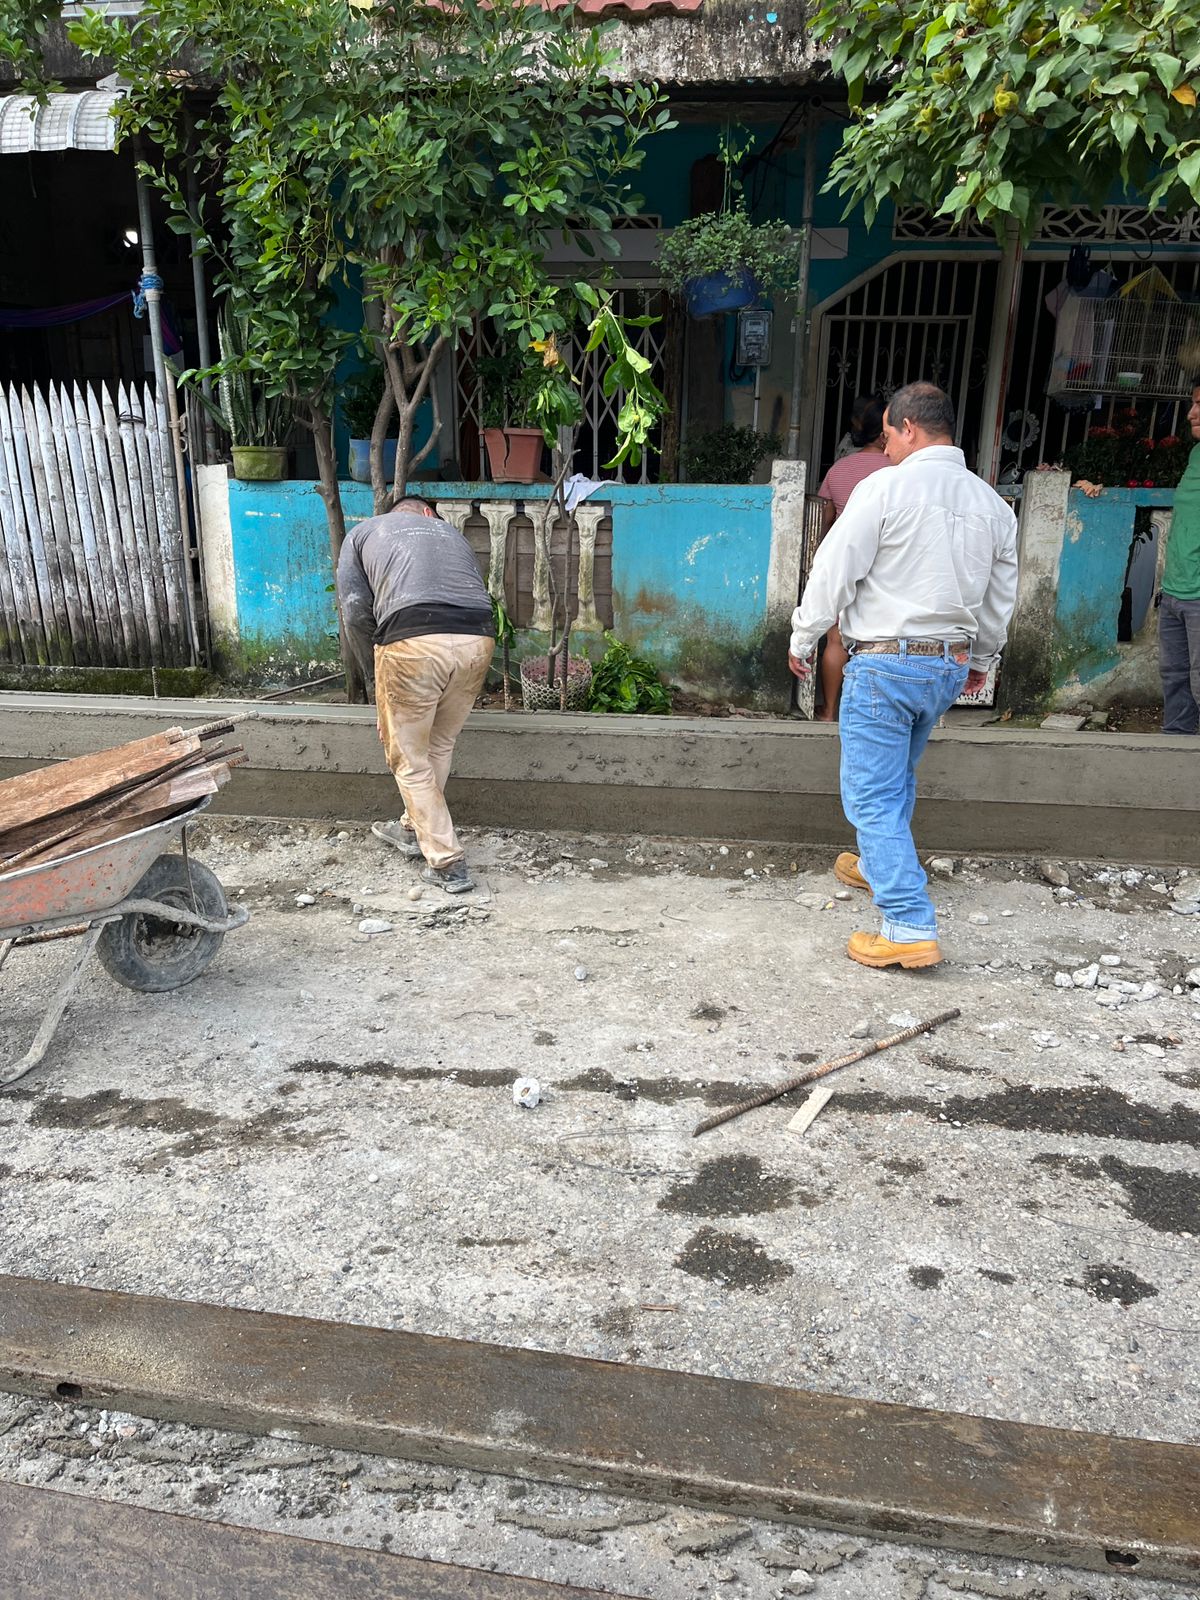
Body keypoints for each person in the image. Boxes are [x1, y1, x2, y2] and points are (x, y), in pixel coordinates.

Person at [788, 382, 1019, 970]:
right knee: (897, 776)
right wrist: (981, 660)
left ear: (909, 428)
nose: (884, 446)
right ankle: (876, 863)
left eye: (889, 434)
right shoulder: (992, 505)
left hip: (886, 662)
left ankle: (908, 924)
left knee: (872, 793)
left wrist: (804, 635)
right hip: (946, 665)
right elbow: (999, 599)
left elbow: (835, 568)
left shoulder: (884, 488)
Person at [337, 496, 495, 893]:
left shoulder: (362, 532)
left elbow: (355, 611)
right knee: (439, 744)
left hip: (412, 640)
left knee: (408, 759)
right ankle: (412, 828)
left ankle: (448, 862)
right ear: (428, 513)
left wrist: (377, 678)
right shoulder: (452, 535)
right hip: (478, 638)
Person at [813, 395, 892, 721]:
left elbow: (825, 519)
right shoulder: (899, 471)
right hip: (887, 567)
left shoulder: (839, 469)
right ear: (884, 432)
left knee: (836, 639)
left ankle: (829, 711)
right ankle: (873, 712)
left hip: (846, 563)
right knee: (883, 642)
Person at [1159, 380, 1200, 734]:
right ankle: (1175, 748)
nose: (1191, 413)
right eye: (1193, 403)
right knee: (1174, 677)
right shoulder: (1195, 454)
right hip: (1175, 590)